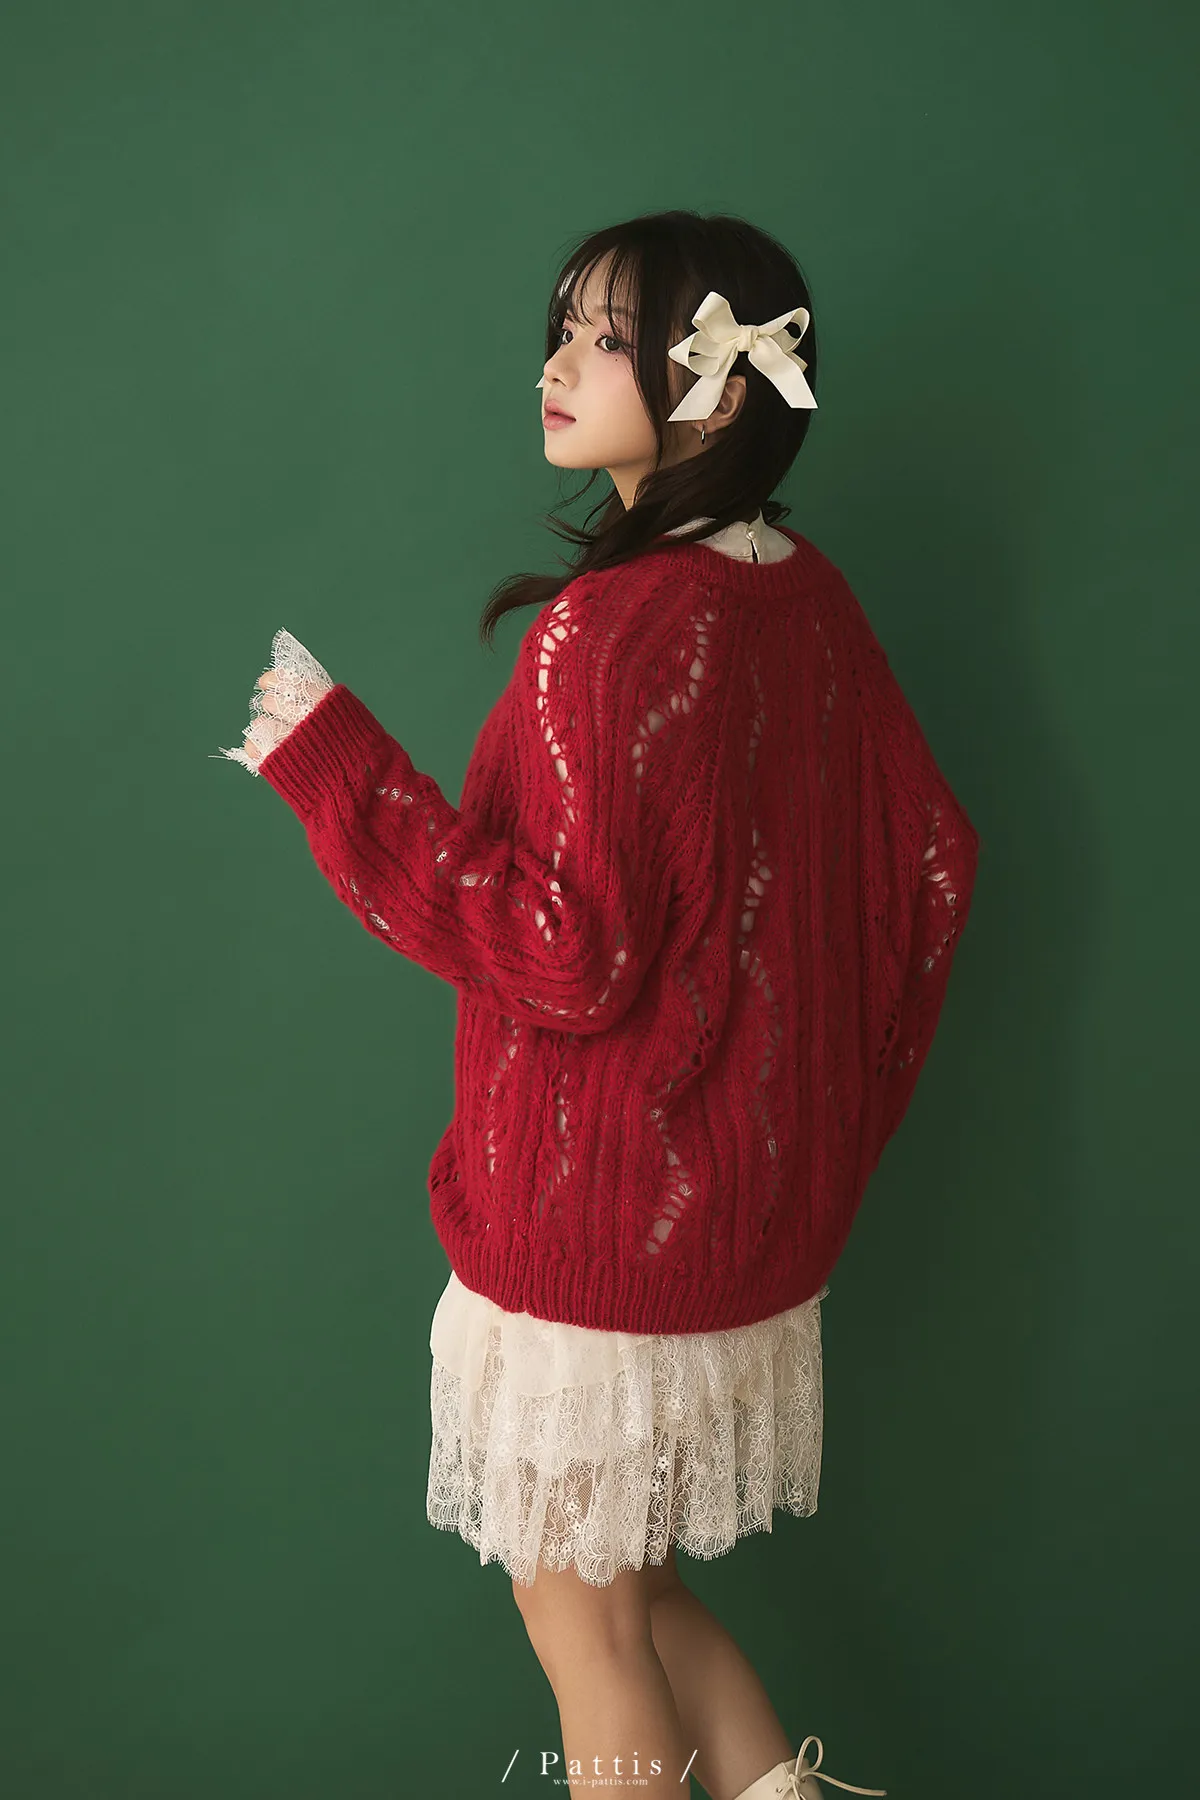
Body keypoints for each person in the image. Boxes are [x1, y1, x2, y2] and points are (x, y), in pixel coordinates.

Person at [213, 210, 980, 1800]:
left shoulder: (611, 631)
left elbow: (565, 954)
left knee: (582, 1619)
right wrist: (817, 1134)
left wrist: (338, 772)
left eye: (606, 338)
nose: (556, 364)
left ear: (713, 388)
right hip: (747, 1225)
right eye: (559, 329)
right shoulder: (805, 597)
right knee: (638, 1598)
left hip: (602, 1232)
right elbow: (929, 868)